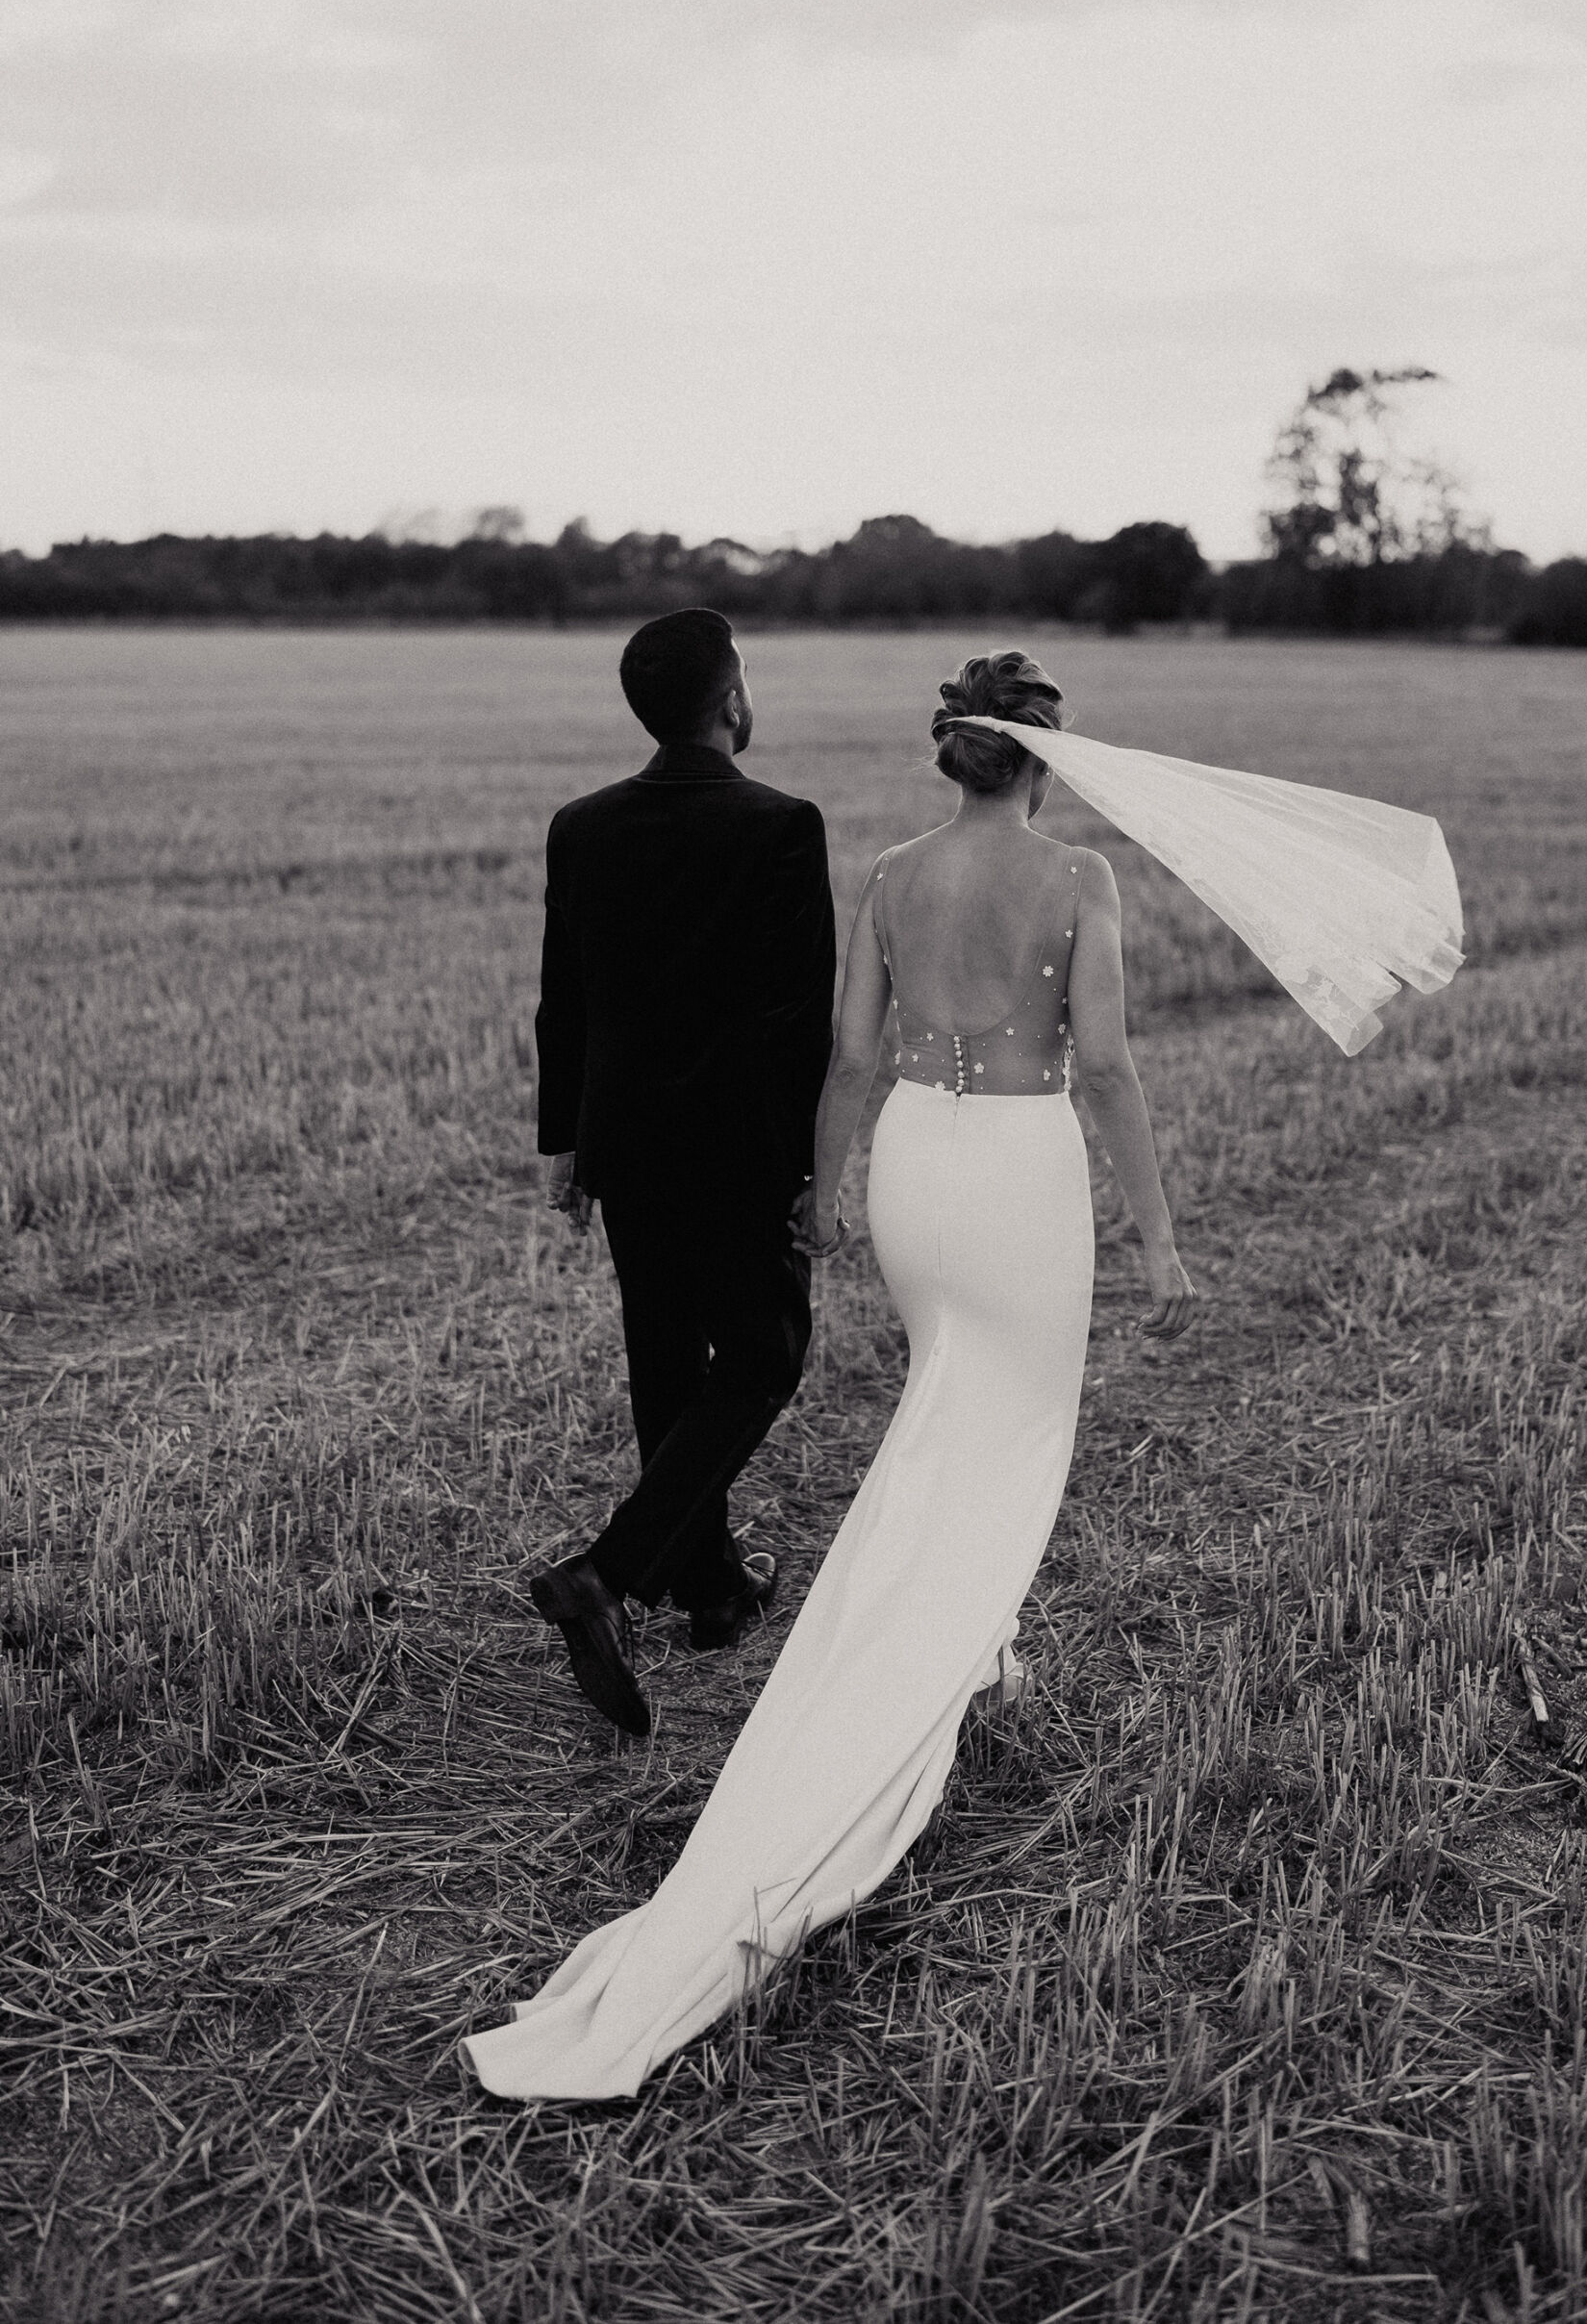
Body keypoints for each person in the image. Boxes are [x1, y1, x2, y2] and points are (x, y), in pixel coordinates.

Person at [464, 648, 1197, 2101]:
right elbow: (1104, 1069)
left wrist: (829, 1187)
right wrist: (1159, 1236)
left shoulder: (883, 871)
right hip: (1018, 1172)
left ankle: (936, 1634)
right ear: (1046, 757)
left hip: (919, 1168)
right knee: (1002, 1426)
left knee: (940, 1406)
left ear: (950, 753)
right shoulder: (1080, 885)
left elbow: (850, 1061)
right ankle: (912, 1652)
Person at [527, 608, 836, 1737]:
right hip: (743, 1146)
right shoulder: (782, 827)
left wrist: (566, 1143)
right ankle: (606, 1574)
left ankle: (710, 1591)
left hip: (630, 1145)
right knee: (763, 1355)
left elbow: (568, 998)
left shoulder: (582, 826)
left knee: (666, 1358)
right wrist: (817, 1169)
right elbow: (800, 1025)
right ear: (731, 702)